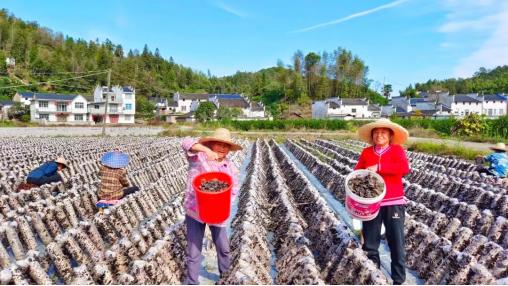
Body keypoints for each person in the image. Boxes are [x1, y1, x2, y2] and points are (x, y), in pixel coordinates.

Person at [181, 128, 242, 285]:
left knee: (223, 248)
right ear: (211, 144)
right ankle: (192, 282)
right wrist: (205, 150)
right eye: (218, 144)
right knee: (194, 252)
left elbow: (233, 189)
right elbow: (186, 142)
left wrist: (225, 202)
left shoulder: (230, 167)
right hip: (195, 210)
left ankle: (226, 277)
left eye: (226, 146)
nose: (222, 148)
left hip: (217, 212)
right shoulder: (199, 158)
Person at [354, 118, 410, 285]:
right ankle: (375, 277)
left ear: (390, 136)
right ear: (372, 135)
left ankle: (398, 280)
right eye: (376, 132)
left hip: (393, 201)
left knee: (396, 241)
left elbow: (403, 169)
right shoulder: (367, 152)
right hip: (371, 203)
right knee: (370, 243)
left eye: (383, 133)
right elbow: (357, 172)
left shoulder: (396, 150)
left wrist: (379, 168)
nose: (379, 135)